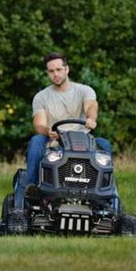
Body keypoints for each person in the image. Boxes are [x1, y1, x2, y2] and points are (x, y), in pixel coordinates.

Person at [26, 52, 112, 185]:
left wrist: (91, 119)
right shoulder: (41, 97)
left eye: (59, 70)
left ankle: (106, 191)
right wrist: (48, 131)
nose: (55, 74)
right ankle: (31, 187)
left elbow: (91, 107)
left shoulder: (84, 90)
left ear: (67, 69)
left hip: (82, 138)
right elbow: (39, 124)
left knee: (104, 144)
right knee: (36, 141)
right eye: (51, 71)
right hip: (55, 140)